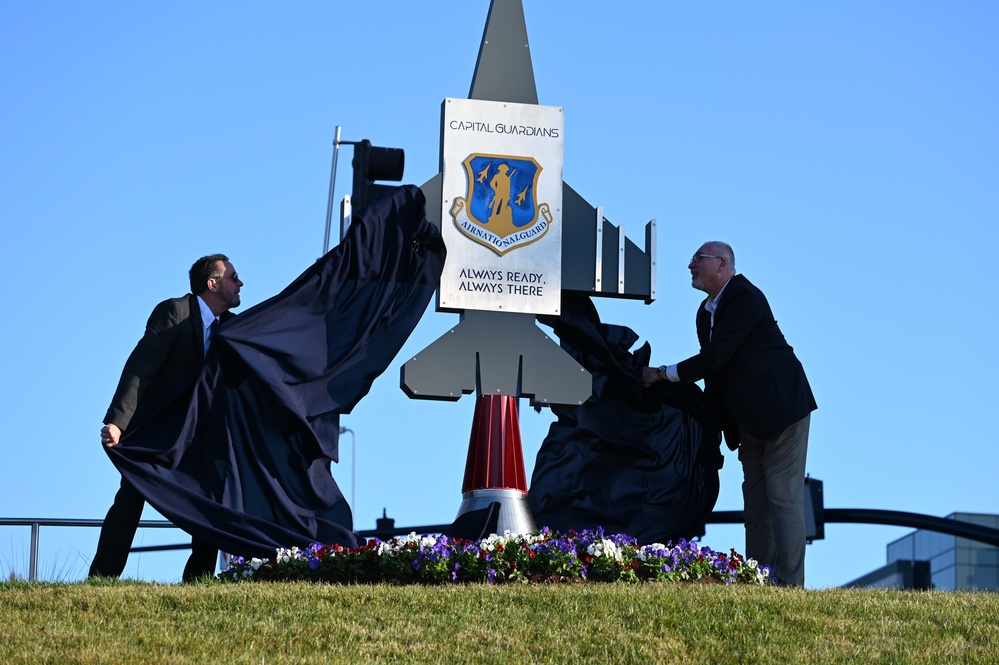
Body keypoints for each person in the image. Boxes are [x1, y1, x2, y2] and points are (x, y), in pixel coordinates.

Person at [642, 241, 816, 586]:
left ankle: (792, 585)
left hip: (781, 412)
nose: (691, 265)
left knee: (782, 498)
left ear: (722, 264)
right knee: (755, 506)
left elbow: (715, 360)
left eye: (698, 259)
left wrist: (661, 373)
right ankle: (761, 580)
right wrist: (714, 431)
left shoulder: (743, 297)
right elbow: (716, 379)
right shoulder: (705, 313)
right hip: (748, 422)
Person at [89, 254, 244, 582]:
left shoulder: (232, 328)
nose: (240, 283)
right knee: (131, 496)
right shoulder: (175, 312)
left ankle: (197, 582)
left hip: (200, 435)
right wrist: (117, 421)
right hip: (155, 431)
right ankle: (102, 576)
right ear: (212, 283)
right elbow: (141, 366)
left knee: (211, 501)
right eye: (233, 277)